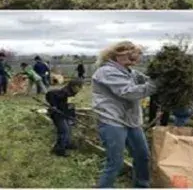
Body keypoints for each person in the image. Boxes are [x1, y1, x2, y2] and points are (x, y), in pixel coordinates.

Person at [92, 41, 157, 188]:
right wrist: (155, 85)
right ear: (117, 55)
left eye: (135, 55)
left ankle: (141, 185)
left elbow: (146, 80)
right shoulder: (106, 71)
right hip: (112, 121)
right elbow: (129, 92)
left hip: (131, 121)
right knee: (115, 162)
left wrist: (163, 78)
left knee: (142, 156)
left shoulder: (130, 72)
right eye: (129, 55)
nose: (133, 59)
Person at [45, 79, 83, 157]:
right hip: (58, 115)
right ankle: (58, 149)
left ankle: (67, 144)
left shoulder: (71, 93)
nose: (80, 89)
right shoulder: (65, 92)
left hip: (64, 114)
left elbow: (70, 106)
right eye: (80, 87)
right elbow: (50, 94)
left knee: (68, 129)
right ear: (74, 86)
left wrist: (72, 117)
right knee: (64, 131)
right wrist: (54, 106)